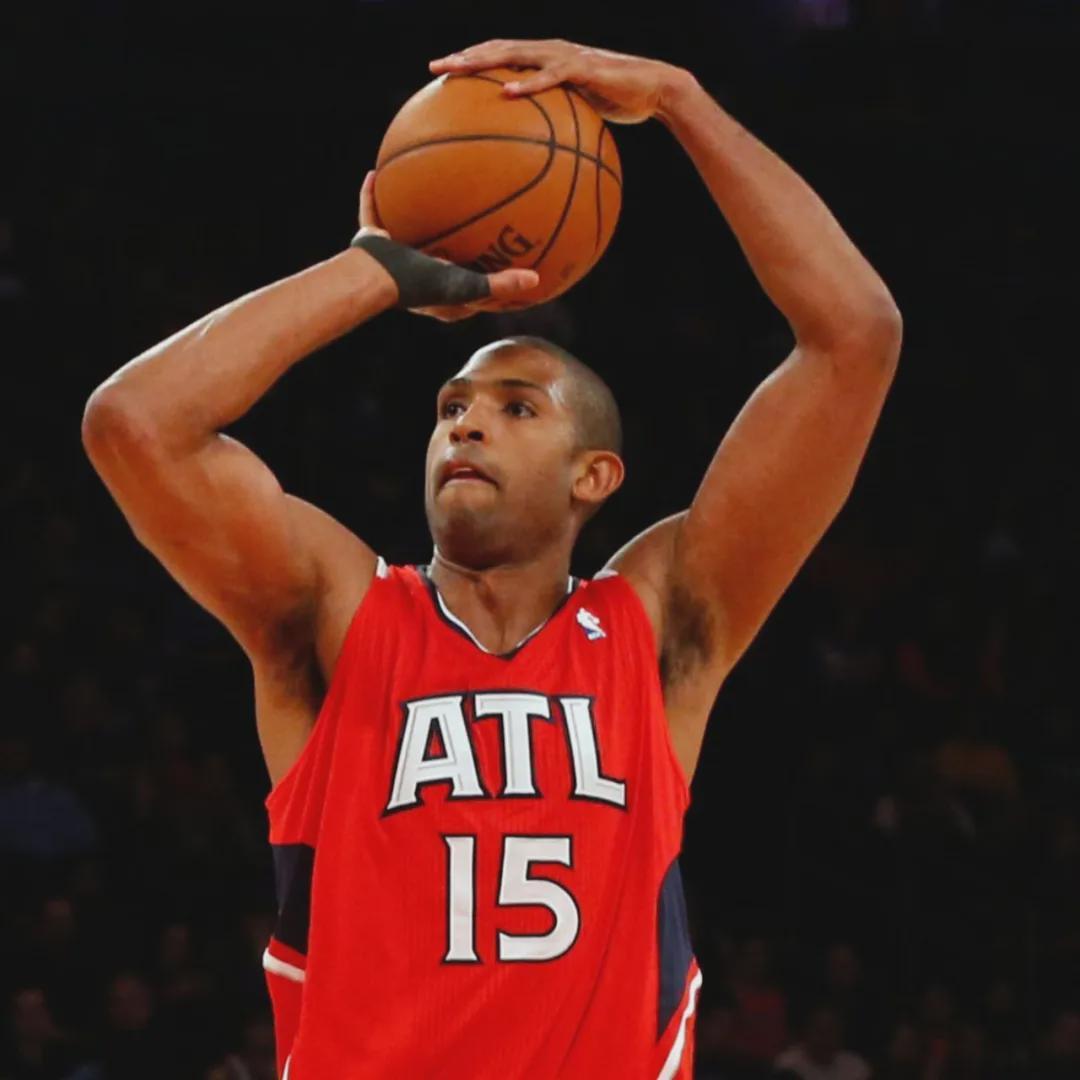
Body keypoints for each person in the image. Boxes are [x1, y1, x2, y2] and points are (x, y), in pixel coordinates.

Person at [82, 37, 901, 1080]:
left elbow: (855, 336)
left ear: (594, 475)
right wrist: (372, 270)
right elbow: (135, 425)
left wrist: (681, 101)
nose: (466, 424)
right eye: (451, 406)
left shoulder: (659, 625)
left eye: (517, 408)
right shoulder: (339, 615)